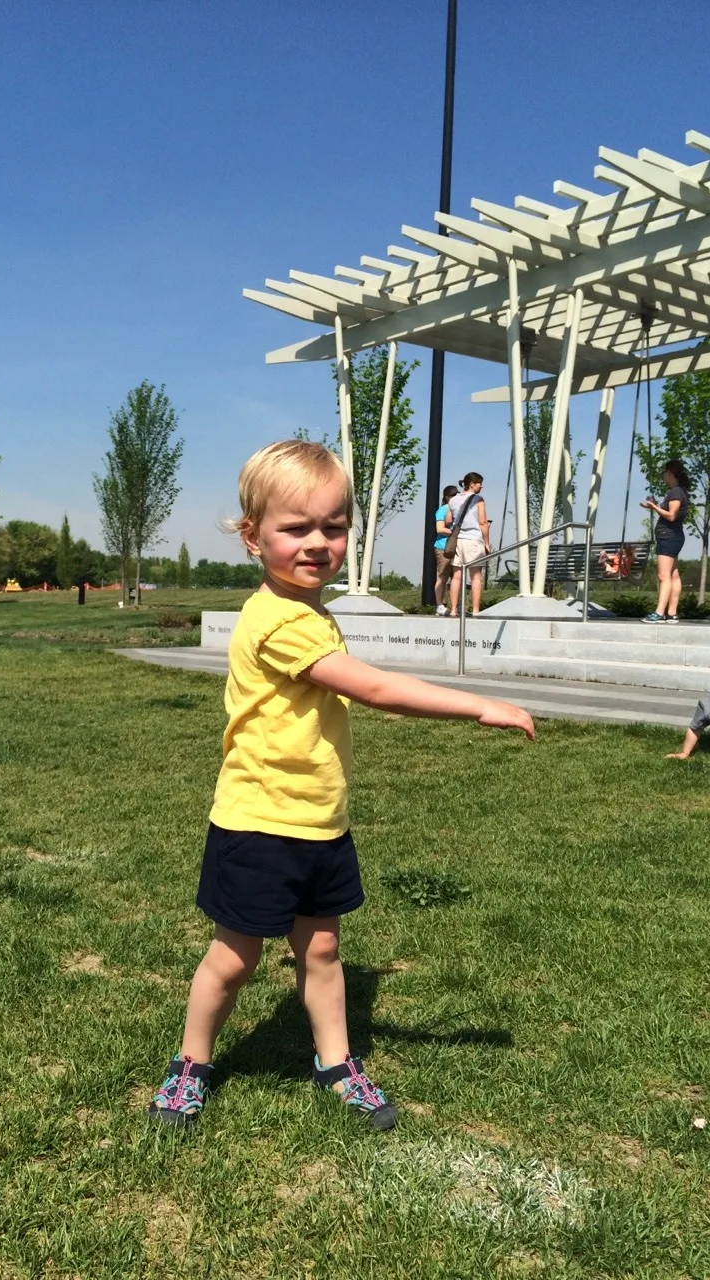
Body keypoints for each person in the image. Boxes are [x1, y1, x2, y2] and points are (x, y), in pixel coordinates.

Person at [148, 441, 534, 1132]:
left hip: (320, 822)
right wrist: (479, 704)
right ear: (252, 536)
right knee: (233, 959)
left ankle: (335, 1060)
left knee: (322, 950)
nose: (318, 543)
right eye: (296, 528)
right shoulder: (278, 620)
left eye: (334, 526)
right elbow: (378, 689)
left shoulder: (311, 612)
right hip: (260, 823)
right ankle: (191, 1063)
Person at [640, 459, 690, 624]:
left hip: (668, 537)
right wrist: (653, 506)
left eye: (664, 473)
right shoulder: (680, 491)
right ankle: (672, 613)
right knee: (673, 574)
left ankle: (659, 612)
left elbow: (671, 515)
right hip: (673, 536)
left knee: (663, 576)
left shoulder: (675, 492)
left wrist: (654, 507)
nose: (663, 476)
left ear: (670, 473)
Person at [447, 472, 491, 617]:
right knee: (476, 577)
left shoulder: (453, 500)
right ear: (472, 484)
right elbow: (483, 522)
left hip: (458, 540)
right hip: (474, 539)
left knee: (456, 576)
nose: (482, 486)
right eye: (480, 483)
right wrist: (487, 543)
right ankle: (476, 610)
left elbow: (448, 520)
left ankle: (453, 610)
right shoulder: (478, 499)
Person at [433, 483, 458, 616]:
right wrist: (455, 533)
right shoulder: (443, 510)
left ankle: (455, 606)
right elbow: (439, 529)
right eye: (453, 495)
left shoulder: (458, 509)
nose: (456, 497)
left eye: (457, 494)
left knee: (457, 577)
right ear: (447, 497)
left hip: (457, 548)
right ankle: (439, 605)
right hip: (443, 547)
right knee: (443, 576)